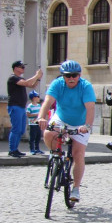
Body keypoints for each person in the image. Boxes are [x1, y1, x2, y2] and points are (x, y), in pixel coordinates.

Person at [37, 60, 96, 204]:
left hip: (80, 122)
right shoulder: (57, 84)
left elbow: (90, 108)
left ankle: (75, 188)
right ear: (63, 76)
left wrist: (87, 126)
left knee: (78, 154)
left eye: (74, 75)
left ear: (79, 75)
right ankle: (56, 154)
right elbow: (47, 102)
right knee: (48, 133)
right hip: (61, 118)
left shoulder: (86, 87)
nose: (71, 78)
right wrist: (41, 117)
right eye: (67, 75)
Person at [6, 60, 43, 157]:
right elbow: (26, 83)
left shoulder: (20, 79)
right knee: (16, 129)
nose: (23, 68)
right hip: (15, 106)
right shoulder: (13, 78)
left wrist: (38, 78)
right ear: (16, 68)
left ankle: (15, 149)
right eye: (22, 67)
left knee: (21, 130)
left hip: (21, 107)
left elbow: (31, 85)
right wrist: (36, 75)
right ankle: (12, 150)